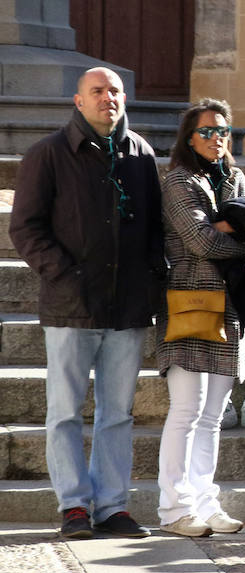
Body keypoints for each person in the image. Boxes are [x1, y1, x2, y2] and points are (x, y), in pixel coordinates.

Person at [9, 66, 164, 540]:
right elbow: (26, 228)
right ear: (78, 102)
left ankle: (112, 506)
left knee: (118, 413)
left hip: (127, 308)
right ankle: (74, 505)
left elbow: (155, 230)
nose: (107, 98)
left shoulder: (140, 154)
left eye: (114, 91)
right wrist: (67, 275)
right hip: (71, 305)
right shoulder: (48, 154)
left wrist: (150, 286)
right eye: (96, 91)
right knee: (64, 412)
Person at [155, 99, 245, 538]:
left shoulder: (234, 177)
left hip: (230, 306)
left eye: (224, 130)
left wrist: (236, 229)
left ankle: (204, 502)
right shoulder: (178, 180)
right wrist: (238, 234)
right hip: (190, 303)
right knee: (186, 410)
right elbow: (201, 243)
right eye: (209, 131)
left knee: (214, 414)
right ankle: (173, 509)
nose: (219, 138)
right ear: (189, 138)